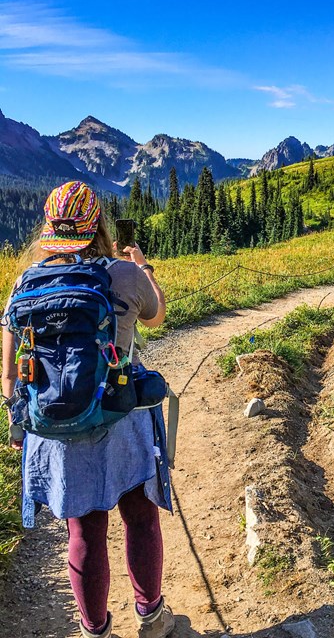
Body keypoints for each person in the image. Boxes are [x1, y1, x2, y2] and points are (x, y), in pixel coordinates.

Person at [1, 181, 175, 638]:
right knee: (139, 517)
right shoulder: (124, 274)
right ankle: (151, 616)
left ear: (49, 229)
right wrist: (143, 266)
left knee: (83, 531)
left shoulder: (25, 282)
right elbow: (155, 316)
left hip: (56, 424)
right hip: (121, 417)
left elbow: (9, 373)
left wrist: (18, 418)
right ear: (97, 225)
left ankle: (93, 629)